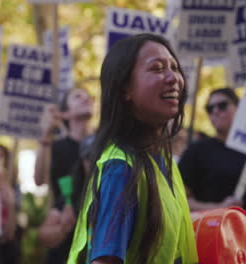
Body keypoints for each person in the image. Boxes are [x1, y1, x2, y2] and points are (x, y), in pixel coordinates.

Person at [68, 33, 198, 264]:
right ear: (124, 90)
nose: (173, 78)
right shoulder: (120, 168)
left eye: (174, 67)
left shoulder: (162, 163)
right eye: (157, 68)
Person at [179, 88, 246, 223]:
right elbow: (180, 199)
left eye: (222, 105)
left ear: (239, 108)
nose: (215, 111)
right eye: (209, 108)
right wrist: (219, 208)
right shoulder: (197, 151)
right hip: (217, 235)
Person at [38, 134, 94, 264]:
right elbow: (43, 236)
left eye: (98, 157)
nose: (94, 163)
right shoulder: (71, 194)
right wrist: (63, 228)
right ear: (82, 163)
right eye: (89, 158)